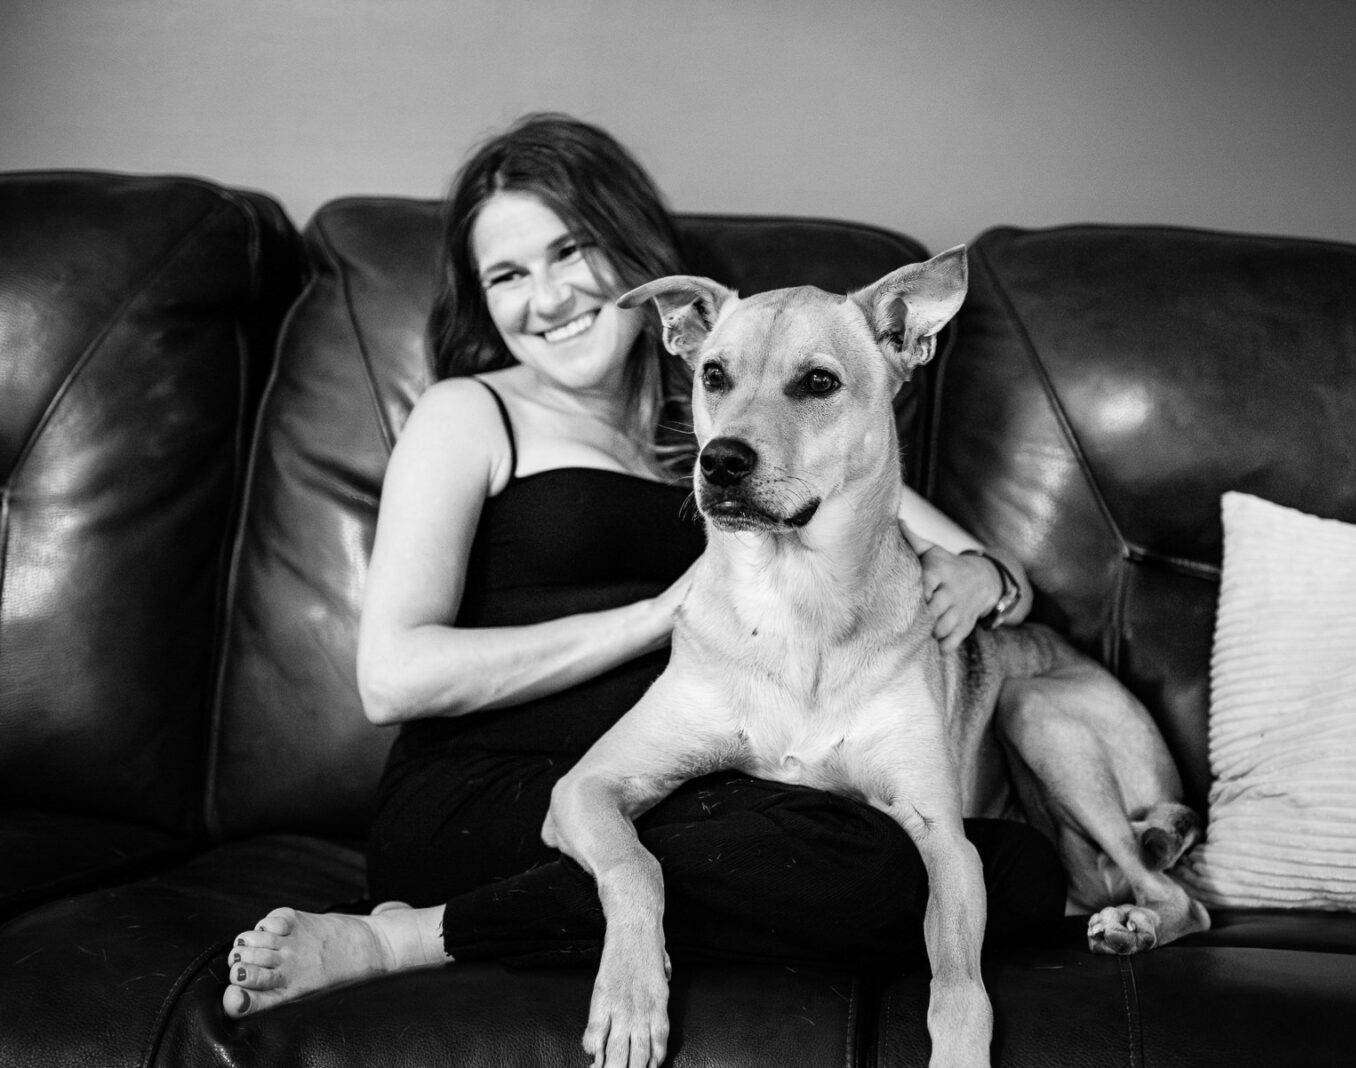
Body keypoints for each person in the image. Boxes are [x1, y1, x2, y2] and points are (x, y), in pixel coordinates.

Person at [222, 112, 1063, 1020]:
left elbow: (914, 521)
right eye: (507, 275)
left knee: (1015, 865)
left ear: (631, 253)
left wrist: (989, 578)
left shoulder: (729, 418)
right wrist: (657, 615)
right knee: (851, 863)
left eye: (569, 251)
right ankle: (401, 938)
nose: (548, 298)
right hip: (495, 785)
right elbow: (391, 679)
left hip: (704, 785)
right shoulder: (469, 413)